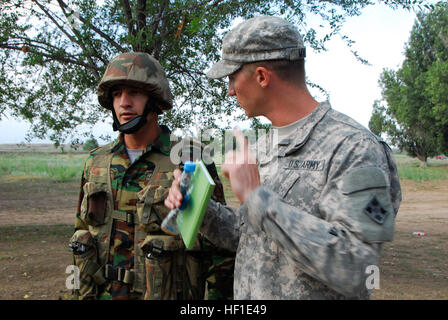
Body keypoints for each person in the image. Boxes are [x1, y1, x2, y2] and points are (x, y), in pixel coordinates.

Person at [165, 16, 402, 299]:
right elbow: (249, 234)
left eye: (231, 78)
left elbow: (358, 268)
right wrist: (199, 209)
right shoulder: (265, 146)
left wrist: (257, 199)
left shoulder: (355, 147)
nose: (229, 91)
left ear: (262, 76)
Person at [70, 52, 234, 300]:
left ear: (155, 100)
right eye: (116, 94)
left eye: (134, 92)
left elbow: (219, 249)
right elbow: (80, 234)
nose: (123, 102)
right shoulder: (96, 162)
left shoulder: (190, 159)